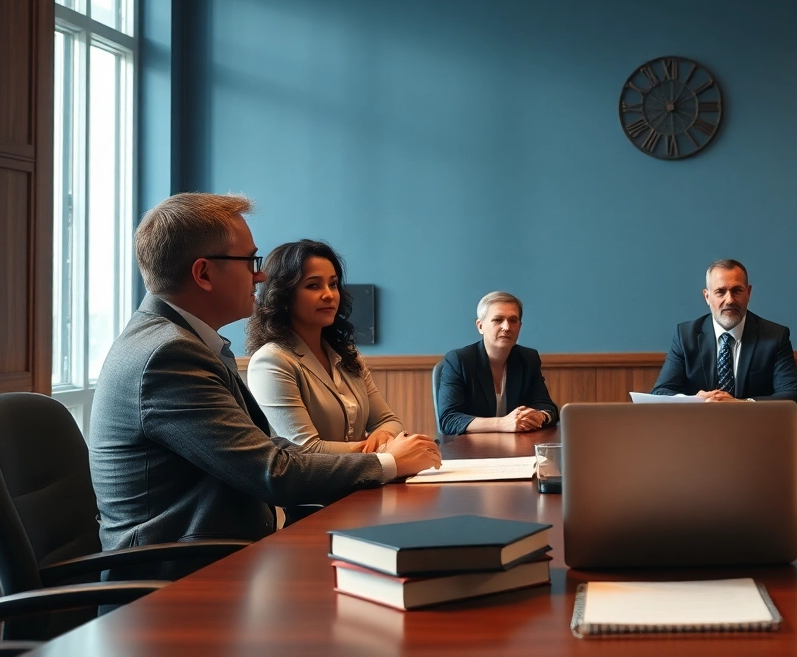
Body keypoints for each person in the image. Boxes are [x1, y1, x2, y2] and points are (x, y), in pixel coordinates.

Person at [89, 194, 440, 560]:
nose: (260, 275)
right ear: (204, 273)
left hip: (225, 552)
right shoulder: (168, 355)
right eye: (250, 261)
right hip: (175, 581)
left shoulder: (186, 342)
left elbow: (266, 451)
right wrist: (388, 462)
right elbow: (272, 473)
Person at [246, 240, 406, 454]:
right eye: (313, 285)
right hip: (311, 486)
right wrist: (382, 452)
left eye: (333, 284)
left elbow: (389, 421)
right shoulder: (271, 361)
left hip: (365, 480)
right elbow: (306, 450)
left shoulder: (347, 354)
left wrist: (383, 435)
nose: (329, 295)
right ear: (284, 297)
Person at [652, 259, 797, 412]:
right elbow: (660, 393)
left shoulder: (775, 336)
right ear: (707, 297)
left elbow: (795, 397)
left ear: (749, 293)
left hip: (755, 430)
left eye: (737, 290)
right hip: (699, 430)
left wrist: (742, 404)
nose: (730, 300)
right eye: (720, 292)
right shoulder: (686, 336)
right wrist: (694, 401)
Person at [435, 292, 559, 436]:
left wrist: (540, 416)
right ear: (480, 326)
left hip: (518, 448)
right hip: (471, 449)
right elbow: (449, 420)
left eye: (513, 320)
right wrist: (502, 423)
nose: (506, 327)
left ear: (520, 326)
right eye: (498, 320)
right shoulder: (459, 360)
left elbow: (548, 408)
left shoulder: (528, 359)